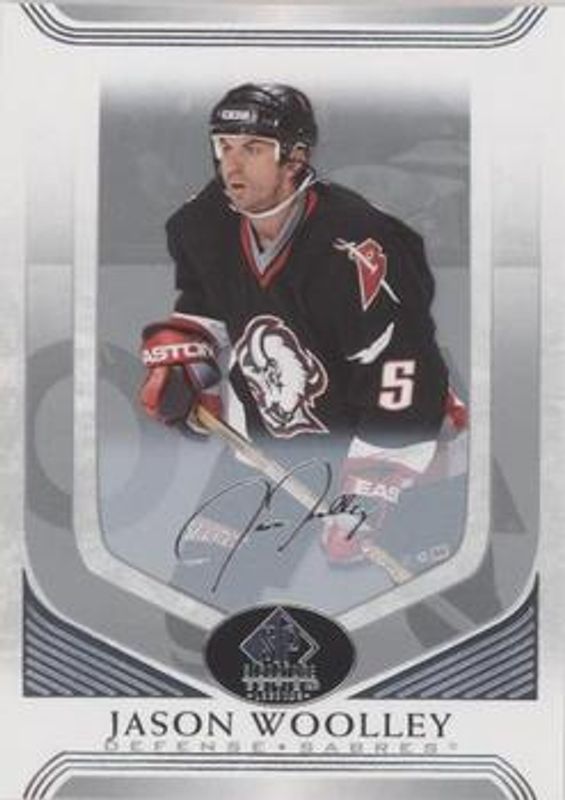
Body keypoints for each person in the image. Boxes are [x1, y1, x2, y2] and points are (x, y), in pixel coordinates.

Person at [138, 83, 466, 582]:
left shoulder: (361, 244)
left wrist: (371, 489)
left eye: (252, 148)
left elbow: (404, 366)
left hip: (404, 443)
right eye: (224, 146)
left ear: (295, 158)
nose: (232, 166)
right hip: (275, 447)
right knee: (201, 589)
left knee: (444, 608)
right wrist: (187, 357)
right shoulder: (203, 224)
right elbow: (209, 301)